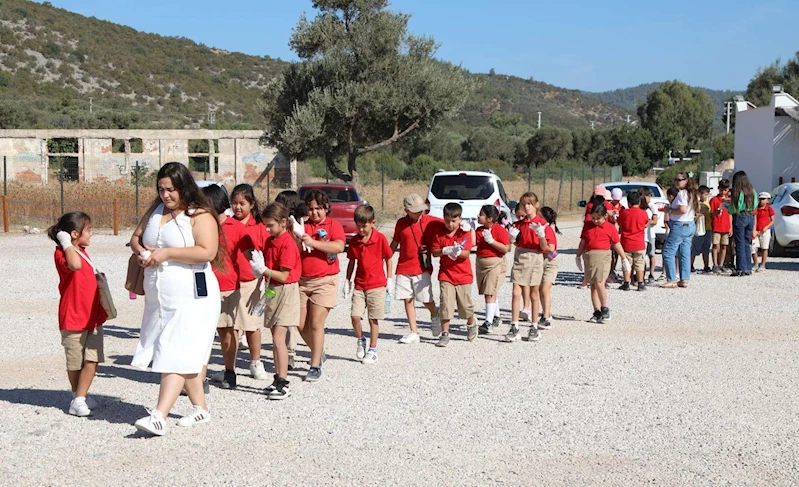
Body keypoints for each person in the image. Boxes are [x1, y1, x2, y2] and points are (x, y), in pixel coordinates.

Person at [130, 162, 223, 436]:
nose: (165, 195)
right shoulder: (155, 210)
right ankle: (201, 409)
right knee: (185, 352)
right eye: (161, 189)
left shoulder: (201, 215)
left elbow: (207, 252)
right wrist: (141, 252)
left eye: (170, 189)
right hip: (160, 293)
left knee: (174, 349)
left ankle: (159, 415)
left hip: (193, 294)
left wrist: (167, 253)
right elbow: (136, 238)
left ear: (184, 187)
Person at [49, 211, 106, 417]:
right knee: (75, 362)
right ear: (74, 234)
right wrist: (65, 243)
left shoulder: (81, 250)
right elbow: (74, 266)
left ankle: (80, 397)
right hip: (72, 317)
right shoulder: (63, 253)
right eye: (88, 230)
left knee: (92, 358)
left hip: (92, 315)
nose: (91, 234)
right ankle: (77, 396)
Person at [249, 202, 302, 399]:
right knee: (273, 334)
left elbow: (284, 276)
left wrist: (263, 270)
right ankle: (278, 377)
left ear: (282, 222)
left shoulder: (287, 244)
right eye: (265, 225)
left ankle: (284, 381)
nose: (267, 229)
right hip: (272, 289)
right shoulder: (271, 241)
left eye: (270, 225)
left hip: (286, 290)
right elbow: (272, 276)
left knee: (279, 337)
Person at [296, 189, 346, 381]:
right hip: (302, 281)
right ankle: (318, 350)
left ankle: (314, 364)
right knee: (300, 324)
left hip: (325, 281)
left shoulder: (334, 225)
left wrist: (313, 243)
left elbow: (338, 246)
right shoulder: (302, 226)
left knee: (317, 323)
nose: (314, 212)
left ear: (326, 208)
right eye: (311, 209)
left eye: (318, 208)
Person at [201, 185, 243, 390]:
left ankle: (229, 372)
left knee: (226, 331)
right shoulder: (199, 226)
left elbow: (252, 252)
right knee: (203, 333)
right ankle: (200, 378)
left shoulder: (236, 227)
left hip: (227, 287)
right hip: (202, 286)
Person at [343, 205, 393, 364]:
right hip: (359, 284)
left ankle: (373, 349)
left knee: (373, 318)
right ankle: (360, 339)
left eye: (364, 226)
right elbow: (351, 261)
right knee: (355, 316)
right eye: (358, 225)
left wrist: (389, 279)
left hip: (377, 284)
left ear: (373, 223)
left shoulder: (380, 239)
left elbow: (388, 258)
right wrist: (347, 280)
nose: (361, 229)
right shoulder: (355, 241)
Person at [390, 194, 441, 343]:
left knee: (426, 300)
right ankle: (414, 332)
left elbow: (448, 224)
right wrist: (385, 256)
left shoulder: (430, 221)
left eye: (421, 210)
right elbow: (395, 242)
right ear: (406, 210)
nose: (420, 213)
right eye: (416, 210)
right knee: (407, 299)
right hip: (403, 266)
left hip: (422, 267)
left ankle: (435, 313)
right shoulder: (401, 223)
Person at [229, 184, 268, 380]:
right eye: (234, 203)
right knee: (233, 326)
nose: (237, 207)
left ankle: (255, 361)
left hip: (252, 283)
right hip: (230, 282)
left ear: (251, 204)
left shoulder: (260, 227)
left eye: (242, 203)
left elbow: (267, 253)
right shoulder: (226, 225)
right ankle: (231, 365)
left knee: (252, 324)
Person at [428, 202, 478, 347]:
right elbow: (435, 252)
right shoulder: (439, 233)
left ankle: (471, 323)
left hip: (463, 275)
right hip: (446, 275)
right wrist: (445, 250)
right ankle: (445, 334)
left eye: (454, 221)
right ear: (443, 218)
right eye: (447, 220)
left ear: (460, 219)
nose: (450, 224)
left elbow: (466, 253)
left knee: (465, 306)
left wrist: (458, 252)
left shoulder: (464, 232)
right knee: (445, 304)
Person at [505, 192, 550, 343]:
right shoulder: (519, 224)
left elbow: (545, 248)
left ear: (536, 205)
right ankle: (514, 325)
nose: (527, 207)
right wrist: (511, 238)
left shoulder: (542, 224)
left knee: (534, 294)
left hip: (535, 258)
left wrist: (541, 234)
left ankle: (534, 326)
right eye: (525, 204)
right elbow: (517, 243)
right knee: (516, 292)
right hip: (520, 257)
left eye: (530, 204)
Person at [576, 204, 628, 323]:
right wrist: (578, 255)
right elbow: (583, 241)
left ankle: (605, 308)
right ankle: (596, 312)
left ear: (605, 216)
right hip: (589, 256)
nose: (595, 221)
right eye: (593, 218)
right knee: (593, 285)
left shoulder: (610, 228)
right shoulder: (587, 226)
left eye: (598, 218)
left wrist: (624, 258)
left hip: (603, 256)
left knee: (599, 282)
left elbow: (616, 243)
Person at [274, 190, 304, 370]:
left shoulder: (294, 226)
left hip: (292, 277)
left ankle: (290, 352)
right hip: (284, 277)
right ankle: (288, 351)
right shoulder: (289, 225)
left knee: (290, 319)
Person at [475, 204, 510, 334]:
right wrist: (464, 231)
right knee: (489, 290)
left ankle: (488, 322)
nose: (478, 216)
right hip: (481, 265)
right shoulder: (479, 230)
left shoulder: (499, 230)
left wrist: (491, 241)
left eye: (481, 214)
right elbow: (472, 242)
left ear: (490, 218)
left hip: (495, 264)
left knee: (490, 292)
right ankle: (496, 316)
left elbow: (506, 249)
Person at [661, 172, 699, 288]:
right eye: (676, 179)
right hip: (690, 224)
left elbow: (683, 209)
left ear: (686, 181)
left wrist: (670, 210)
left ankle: (671, 279)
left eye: (679, 180)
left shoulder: (682, 193)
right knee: (685, 253)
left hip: (680, 224)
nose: (676, 182)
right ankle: (684, 279)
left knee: (668, 252)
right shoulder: (693, 193)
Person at [617, 191, 649, 291]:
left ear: (628, 202)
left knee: (626, 263)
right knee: (639, 263)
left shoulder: (624, 213)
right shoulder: (643, 213)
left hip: (626, 242)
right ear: (639, 202)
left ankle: (626, 282)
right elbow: (646, 223)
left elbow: (620, 224)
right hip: (639, 243)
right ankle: (640, 283)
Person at [728, 171, 756, 276]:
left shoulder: (738, 192)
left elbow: (736, 207)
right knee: (747, 243)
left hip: (740, 216)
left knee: (739, 243)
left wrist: (728, 207)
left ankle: (740, 268)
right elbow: (756, 204)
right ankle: (748, 268)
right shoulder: (752, 191)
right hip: (751, 216)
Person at [536, 206, 560, 328]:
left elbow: (551, 248)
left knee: (545, 289)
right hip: (540, 261)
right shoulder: (537, 229)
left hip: (550, 262)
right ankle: (545, 313)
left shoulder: (548, 230)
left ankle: (546, 317)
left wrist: (542, 240)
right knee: (540, 290)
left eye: (539, 216)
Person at [513, 204, 533, 319]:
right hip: (519, 255)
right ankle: (524, 308)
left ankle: (527, 307)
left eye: (522, 216)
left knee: (526, 283)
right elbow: (516, 242)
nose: (520, 219)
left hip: (528, 256)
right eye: (518, 216)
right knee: (519, 283)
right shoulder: (516, 225)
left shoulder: (529, 225)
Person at [709, 179, 733, 274]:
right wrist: (716, 212)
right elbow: (711, 214)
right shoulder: (714, 200)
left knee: (724, 246)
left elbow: (730, 214)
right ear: (718, 189)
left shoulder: (729, 201)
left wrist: (730, 227)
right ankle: (715, 264)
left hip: (726, 226)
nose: (723, 192)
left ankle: (721, 264)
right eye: (721, 190)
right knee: (715, 245)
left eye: (725, 190)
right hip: (717, 225)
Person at [638, 187, 660, 283]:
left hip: (650, 234)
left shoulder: (652, 206)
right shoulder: (638, 206)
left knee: (651, 254)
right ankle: (641, 274)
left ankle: (651, 273)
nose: (650, 197)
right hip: (641, 234)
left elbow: (655, 221)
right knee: (642, 255)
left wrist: (646, 223)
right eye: (648, 195)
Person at [691, 185, 713, 273]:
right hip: (699, 229)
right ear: (699, 194)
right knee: (695, 248)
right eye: (705, 194)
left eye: (707, 194)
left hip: (708, 228)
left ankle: (706, 265)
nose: (706, 196)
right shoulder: (696, 204)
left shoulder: (708, 204)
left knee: (706, 248)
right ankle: (691, 265)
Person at [753, 191, 775, 272]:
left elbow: (773, 220)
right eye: (760, 199)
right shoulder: (756, 208)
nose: (761, 201)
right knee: (754, 247)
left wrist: (767, 227)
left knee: (764, 248)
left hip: (765, 231)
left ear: (768, 200)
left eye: (763, 199)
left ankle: (763, 264)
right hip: (757, 230)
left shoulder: (769, 209)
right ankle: (755, 263)